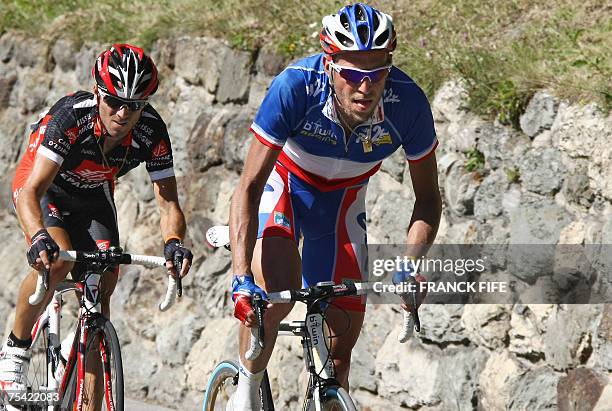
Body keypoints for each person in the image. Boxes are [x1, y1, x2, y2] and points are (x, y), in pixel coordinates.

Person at [228, 3, 442, 410]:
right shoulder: (296, 86)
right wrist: (241, 275)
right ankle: (246, 390)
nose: (366, 86)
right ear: (329, 65)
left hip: (342, 204)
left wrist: (412, 263)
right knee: (275, 298)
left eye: (377, 72)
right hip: (285, 188)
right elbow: (249, 186)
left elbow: (429, 199)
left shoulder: (408, 103)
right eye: (353, 74)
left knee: (339, 356)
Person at [0, 44, 193, 409]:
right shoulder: (70, 118)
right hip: (45, 188)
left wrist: (173, 242)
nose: (123, 113)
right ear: (98, 94)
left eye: (134, 105)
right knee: (58, 262)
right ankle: (16, 348)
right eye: (114, 102)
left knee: (103, 285)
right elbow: (31, 190)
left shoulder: (151, 131)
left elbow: (168, 202)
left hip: (93, 194)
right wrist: (39, 236)